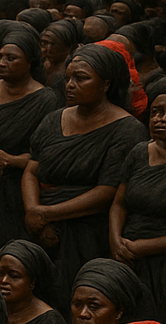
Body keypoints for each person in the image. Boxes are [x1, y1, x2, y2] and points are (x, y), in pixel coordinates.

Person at [23, 42, 148, 295]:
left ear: (105, 84)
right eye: (68, 78)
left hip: (90, 234)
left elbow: (107, 191)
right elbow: (31, 170)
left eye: (81, 79)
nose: (70, 85)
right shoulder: (53, 119)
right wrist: (33, 212)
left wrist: (48, 214)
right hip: (39, 224)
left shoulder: (126, 130)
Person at [0, 23, 59, 250]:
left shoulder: (46, 101)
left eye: (11, 58)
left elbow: (48, 158)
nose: (1, 63)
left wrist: (7, 159)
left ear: (30, 62)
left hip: (18, 192)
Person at [111, 90, 166, 322]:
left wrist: (143, 247)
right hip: (127, 255)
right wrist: (115, 240)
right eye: (155, 112)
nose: (159, 119)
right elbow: (118, 204)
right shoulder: (139, 152)